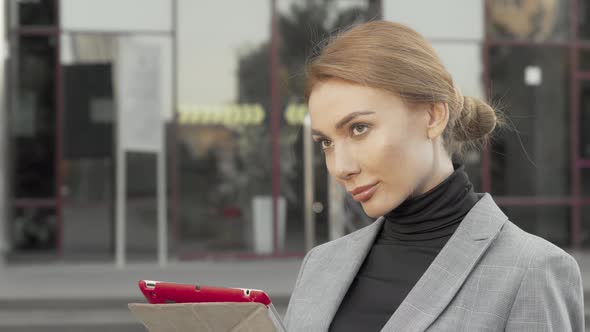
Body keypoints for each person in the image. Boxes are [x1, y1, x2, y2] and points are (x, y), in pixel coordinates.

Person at [283, 21, 584, 332]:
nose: (340, 166)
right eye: (326, 142)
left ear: (433, 116)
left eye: (359, 128)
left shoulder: (532, 271)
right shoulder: (320, 265)